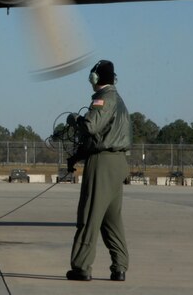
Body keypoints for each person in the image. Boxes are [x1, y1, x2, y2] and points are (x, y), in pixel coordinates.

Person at [65, 59, 132, 282]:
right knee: (111, 219)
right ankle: (120, 267)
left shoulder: (103, 98)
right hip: (118, 162)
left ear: (95, 78)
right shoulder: (119, 100)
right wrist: (77, 156)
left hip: (102, 164)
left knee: (89, 215)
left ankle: (81, 267)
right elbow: (102, 135)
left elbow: (91, 127)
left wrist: (75, 119)